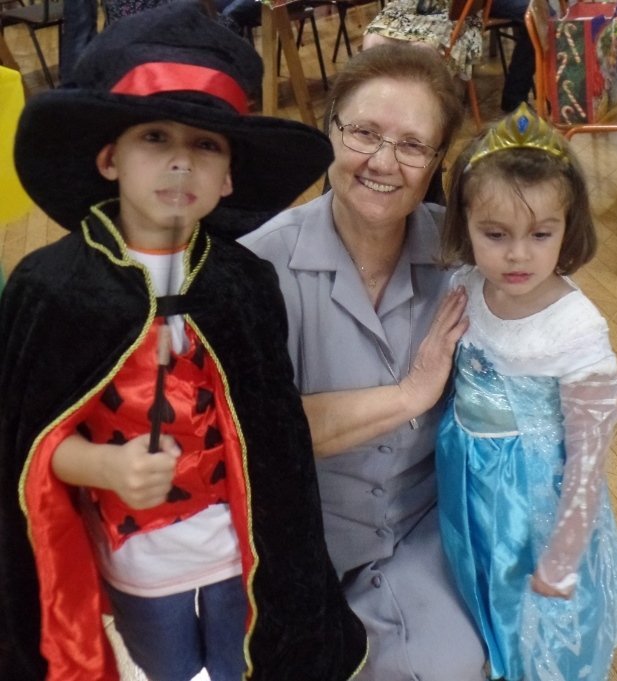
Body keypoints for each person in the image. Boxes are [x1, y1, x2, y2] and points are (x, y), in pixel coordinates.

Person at [240, 44, 617, 680]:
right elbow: (247, 435)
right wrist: (409, 394)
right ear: (329, 130)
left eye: (412, 145)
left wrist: (572, 390)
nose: (382, 162)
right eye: (363, 132)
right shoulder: (257, 268)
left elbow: (536, 327)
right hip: (299, 540)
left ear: (437, 162)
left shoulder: (469, 256)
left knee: (460, 663)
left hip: (432, 527)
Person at [0, 4, 366, 680]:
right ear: (109, 158)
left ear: (227, 177)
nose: (178, 161)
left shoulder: (244, 284)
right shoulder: (52, 289)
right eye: (155, 136)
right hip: (139, 560)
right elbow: (22, 444)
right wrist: (103, 465)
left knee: (239, 665)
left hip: (241, 552)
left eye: (205, 145)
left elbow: (275, 437)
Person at [436, 102, 617, 681]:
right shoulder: (464, 285)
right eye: (494, 234)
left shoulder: (576, 326)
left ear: (568, 229)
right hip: (467, 472)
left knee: (534, 610)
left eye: (541, 234)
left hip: (534, 496)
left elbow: (589, 458)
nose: (517, 255)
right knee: (481, 577)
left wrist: (564, 552)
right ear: (465, 226)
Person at [362, 0, 484, 80]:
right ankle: (380, 94)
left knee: (423, 51)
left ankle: (421, 99)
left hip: (454, 16)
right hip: (408, 9)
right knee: (373, 39)